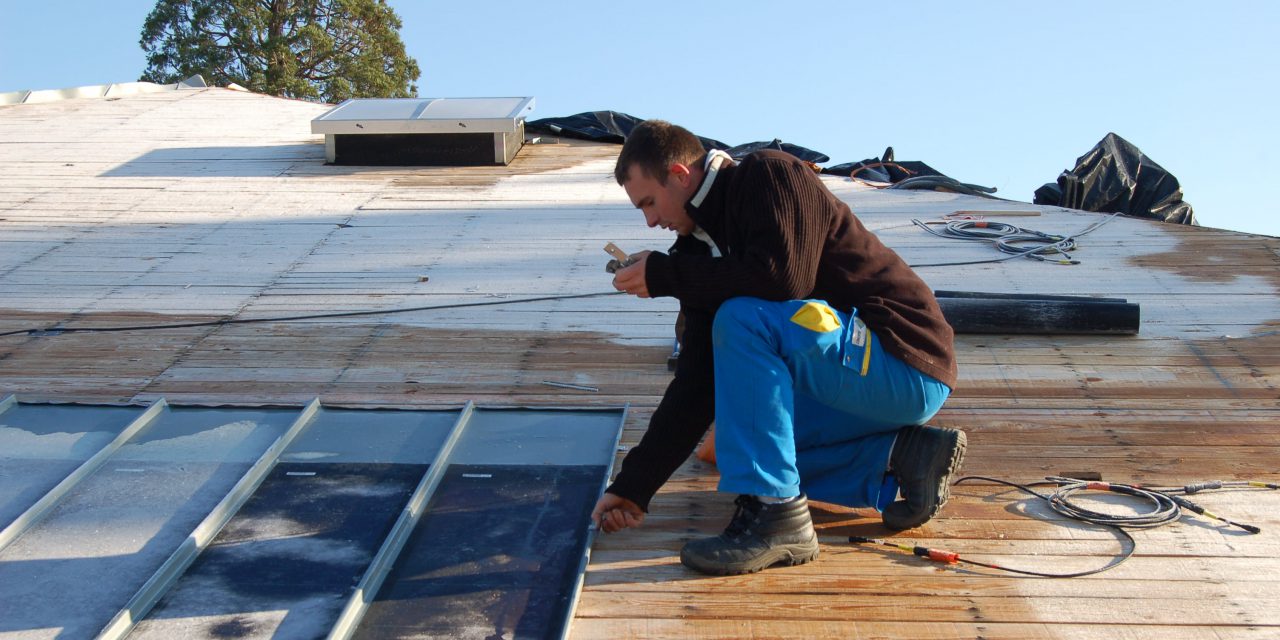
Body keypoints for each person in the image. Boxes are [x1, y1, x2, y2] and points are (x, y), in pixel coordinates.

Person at [591, 120, 965, 576]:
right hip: (854, 385)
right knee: (738, 443)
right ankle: (899, 460)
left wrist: (666, 275)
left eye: (649, 202)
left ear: (679, 174)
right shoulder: (696, 254)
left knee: (742, 317)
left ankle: (776, 518)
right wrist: (633, 487)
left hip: (903, 360)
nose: (650, 221)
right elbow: (695, 386)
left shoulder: (769, 175)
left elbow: (783, 279)